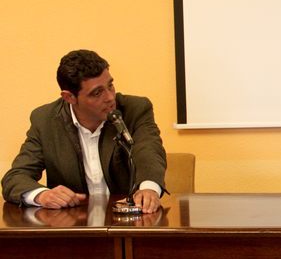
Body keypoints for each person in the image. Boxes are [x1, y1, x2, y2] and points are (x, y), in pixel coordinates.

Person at [2, 50, 167, 213]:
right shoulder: (45, 121)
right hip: (73, 223)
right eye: (97, 92)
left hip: (127, 220)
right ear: (69, 97)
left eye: (110, 85)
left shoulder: (135, 109)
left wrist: (148, 188)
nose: (110, 97)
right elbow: (16, 177)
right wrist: (42, 195)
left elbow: (149, 151)